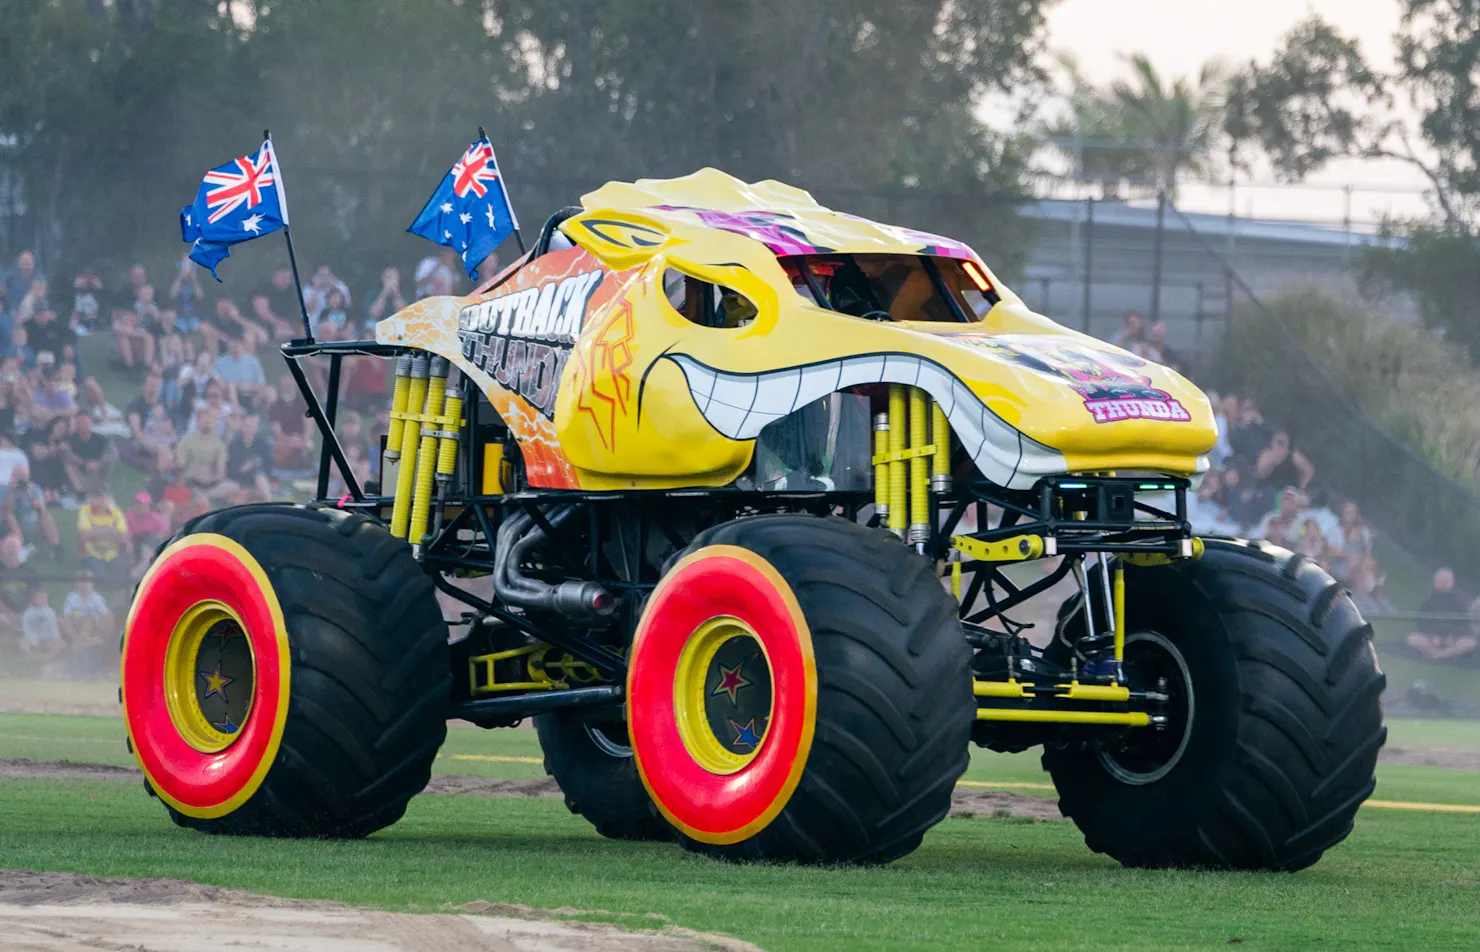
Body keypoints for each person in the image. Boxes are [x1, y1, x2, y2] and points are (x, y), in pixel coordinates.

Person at [1404, 568, 1478, 663]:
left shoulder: (1459, 601)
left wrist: (1454, 635)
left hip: (1453, 641)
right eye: (1440, 581)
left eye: (1446, 581)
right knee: (1412, 638)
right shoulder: (1428, 601)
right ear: (1435, 582)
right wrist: (1432, 635)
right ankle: (1440, 654)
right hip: (1432, 640)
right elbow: (1422, 622)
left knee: (1471, 642)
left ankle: (1439, 655)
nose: (1443, 583)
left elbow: (1464, 623)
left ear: (1452, 582)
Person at [61, 571, 114, 675]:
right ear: (77, 583)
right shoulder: (72, 598)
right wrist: (72, 634)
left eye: (87, 581)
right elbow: (66, 617)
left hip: (94, 633)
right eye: (82, 581)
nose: (84, 584)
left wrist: (99, 635)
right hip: (77, 633)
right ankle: (77, 672)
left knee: (91, 621)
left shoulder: (97, 599)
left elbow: (106, 617)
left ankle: (94, 672)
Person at [2, 466, 59, 556]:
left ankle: (55, 546)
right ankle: (20, 549)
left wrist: (28, 493)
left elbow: (39, 507)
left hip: (31, 523)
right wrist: (11, 491)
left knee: (45, 515)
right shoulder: (5, 489)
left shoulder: (34, 489)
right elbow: (6, 510)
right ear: (13, 477)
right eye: (18, 478)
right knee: (9, 516)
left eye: (23, 478)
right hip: (10, 525)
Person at [76, 490, 130, 582]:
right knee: (100, 579)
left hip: (113, 555)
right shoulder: (85, 510)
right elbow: (83, 536)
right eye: (96, 497)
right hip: (91, 554)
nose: (100, 500)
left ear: (108, 499)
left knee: (122, 578)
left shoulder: (117, 513)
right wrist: (108, 530)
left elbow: (124, 538)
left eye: (102, 497)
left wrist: (94, 531)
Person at [175, 408, 229, 498]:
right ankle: (201, 496)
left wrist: (215, 477)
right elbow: (181, 464)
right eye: (204, 421)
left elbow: (221, 469)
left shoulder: (219, 444)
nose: (207, 423)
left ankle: (205, 495)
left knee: (232, 487)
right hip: (191, 480)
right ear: (197, 422)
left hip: (211, 482)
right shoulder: (187, 440)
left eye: (210, 420)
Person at [64, 411, 115, 494]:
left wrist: (98, 463)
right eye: (80, 422)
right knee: (69, 466)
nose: (84, 425)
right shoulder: (70, 440)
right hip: (80, 469)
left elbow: (112, 454)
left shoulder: (101, 439)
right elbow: (67, 454)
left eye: (86, 422)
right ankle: (80, 492)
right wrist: (84, 463)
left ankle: (100, 489)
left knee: (109, 464)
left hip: (97, 468)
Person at [226, 414, 273, 499]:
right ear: (242, 428)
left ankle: (269, 500)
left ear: (256, 428)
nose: (249, 430)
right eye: (247, 426)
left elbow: (269, 464)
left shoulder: (262, 443)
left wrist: (257, 465)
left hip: (259, 478)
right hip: (240, 479)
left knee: (259, 475)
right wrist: (242, 469)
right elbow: (230, 468)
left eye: (252, 427)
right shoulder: (235, 445)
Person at [214, 337, 266, 410]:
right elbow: (215, 380)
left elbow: (261, 385)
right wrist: (230, 386)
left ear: (243, 346)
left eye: (235, 347)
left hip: (249, 395)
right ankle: (237, 412)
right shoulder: (220, 361)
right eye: (231, 347)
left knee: (270, 393)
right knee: (231, 387)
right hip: (226, 395)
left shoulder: (253, 362)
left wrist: (245, 387)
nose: (233, 349)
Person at [20, 587, 64, 668]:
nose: (42, 600)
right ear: (36, 598)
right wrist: (34, 640)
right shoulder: (29, 612)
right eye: (40, 597)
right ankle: (31, 663)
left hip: (48, 637)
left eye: (44, 598)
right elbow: (26, 628)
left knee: (59, 643)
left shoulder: (50, 612)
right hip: (33, 636)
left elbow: (54, 628)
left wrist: (54, 639)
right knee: (24, 643)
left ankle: (46, 659)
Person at [125, 491, 169, 561]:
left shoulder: (154, 517)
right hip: (134, 541)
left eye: (143, 505)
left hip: (149, 542)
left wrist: (154, 539)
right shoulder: (129, 516)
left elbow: (164, 530)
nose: (140, 508)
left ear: (148, 506)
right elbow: (125, 532)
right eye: (137, 504)